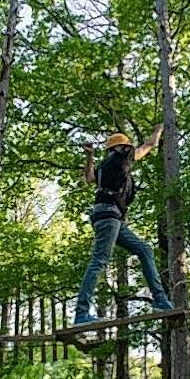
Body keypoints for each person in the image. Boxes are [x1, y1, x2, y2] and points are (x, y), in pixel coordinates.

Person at [74, 125, 174, 325]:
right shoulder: (122, 157)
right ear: (121, 148)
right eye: (126, 147)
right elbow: (150, 145)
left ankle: (160, 300)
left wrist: (90, 156)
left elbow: (89, 178)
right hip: (109, 217)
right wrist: (159, 129)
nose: (128, 150)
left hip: (111, 217)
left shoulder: (105, 166)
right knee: (99, 261)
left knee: (144, 250)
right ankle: (81, 313)